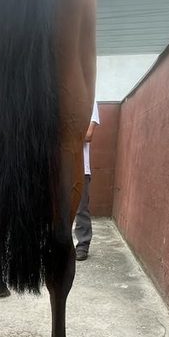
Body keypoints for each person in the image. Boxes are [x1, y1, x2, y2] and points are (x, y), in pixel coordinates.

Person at [74, 100, 100, 261]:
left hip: (81, 168)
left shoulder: (90, 102)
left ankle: (82, 245)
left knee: (81, 209)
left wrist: (63, 134)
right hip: (59, 168)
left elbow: (88, 135)